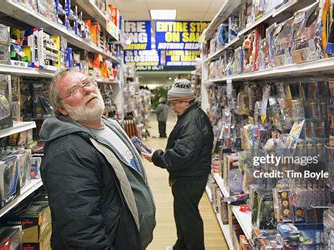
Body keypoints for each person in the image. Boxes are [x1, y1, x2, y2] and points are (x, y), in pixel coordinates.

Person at [39, 68, 156, 249]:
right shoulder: (67, 153)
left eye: (87, 83)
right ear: (62, 109)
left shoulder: (110, 126)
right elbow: (80, 231)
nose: (87, 90)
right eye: (73, 90)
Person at [142, 79, 214, 250]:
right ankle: (181, 246)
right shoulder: (190, 115)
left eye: (175, 103)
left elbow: (181, 155)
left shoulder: (193, 122)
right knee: (183, 215)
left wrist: (156, 157)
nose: (172, 107)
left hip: (190, 177)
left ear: (186, 101)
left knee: (189, 218)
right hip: (188, 175)